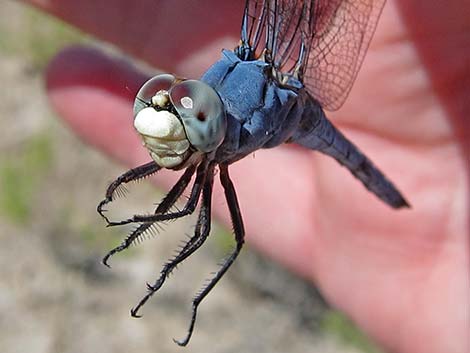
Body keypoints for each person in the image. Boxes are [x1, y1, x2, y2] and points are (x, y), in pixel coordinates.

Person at [25, 1, 469, 352]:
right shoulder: (206, 129)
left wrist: (144, 250)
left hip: (299, 114)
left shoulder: (216, 133)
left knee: (216, 233)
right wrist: (123, 192)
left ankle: (188, 297)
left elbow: (192, 218)